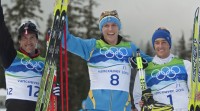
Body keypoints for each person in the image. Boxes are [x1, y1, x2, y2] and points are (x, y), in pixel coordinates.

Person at [62, 10, 152, 111]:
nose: (110, 29)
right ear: (101, 29)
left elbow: (154, 64)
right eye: (106, 26)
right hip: (95, 108)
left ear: (119, 27)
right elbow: (65, 40)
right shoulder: (92, 46)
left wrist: (143, 62)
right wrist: (62, 14)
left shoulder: (130, 48)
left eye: (114, 25)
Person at [0, 4, 59, 111]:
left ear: (37, 40)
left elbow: (49, 89)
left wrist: (54, 91)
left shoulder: (45, 63)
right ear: (19, 41)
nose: (28, 41)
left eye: (32, 37)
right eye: (24, 38)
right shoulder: (11, 58)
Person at [132, 27, 191, 111]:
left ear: (169, 44)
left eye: (164, 42)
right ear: (154, 45)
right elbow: (137, 97)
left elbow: (195, 89)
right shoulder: (145, 70)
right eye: (157, 43)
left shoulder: (185, 64)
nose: (160, 46)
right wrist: (141, 105)